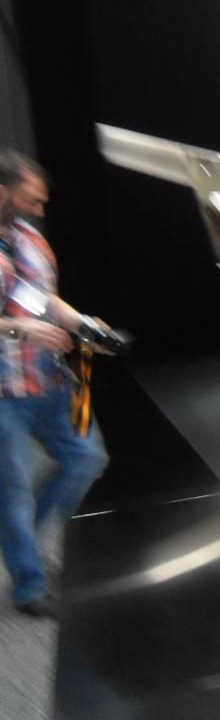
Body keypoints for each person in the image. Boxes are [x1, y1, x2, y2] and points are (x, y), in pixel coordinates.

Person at [0, 151, 109, 618]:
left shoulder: (29, 239)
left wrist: (85, 326)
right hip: (3, 393)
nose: (39, 210)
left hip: (51, 380)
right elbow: (23, 319)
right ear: (2, 192)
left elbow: (45, 299)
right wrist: (20, 329)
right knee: (12, 490)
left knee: (86, 458)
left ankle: (26, 540)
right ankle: (29, 583)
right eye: (32, 200)